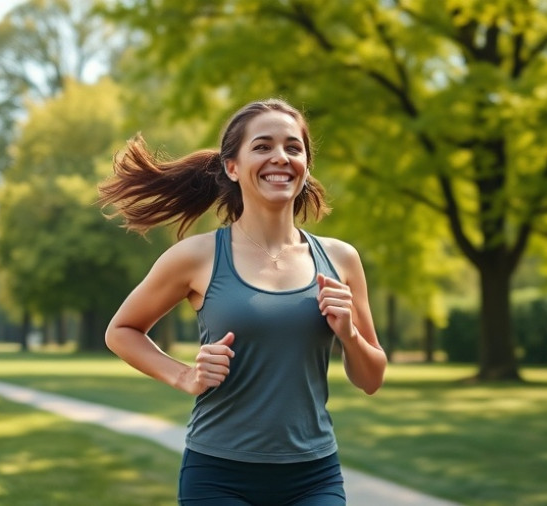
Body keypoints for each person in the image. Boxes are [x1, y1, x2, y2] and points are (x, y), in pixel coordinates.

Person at [97, 98, 387, 506]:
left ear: (306, 167)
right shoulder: (197, 256)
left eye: (293, 147)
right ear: (232, 167)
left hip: (313, 476)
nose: (280, 157)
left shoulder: (341, 259)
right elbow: (121, 331)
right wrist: (184, 376)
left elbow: (371, 380)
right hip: (219, 476)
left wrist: (349, 334)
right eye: (263, 146)